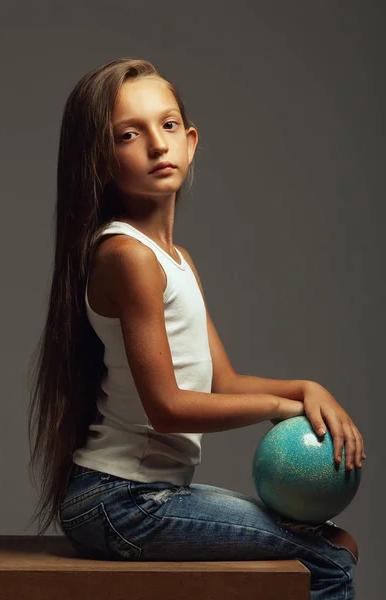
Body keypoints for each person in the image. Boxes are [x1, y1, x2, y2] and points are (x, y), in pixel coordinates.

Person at [27, 58, 366, 599]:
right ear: (100, 159)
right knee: (328, 560)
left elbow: (223, 383)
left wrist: (305, 388)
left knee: (334, 544)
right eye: (129, 134)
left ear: (190, 141)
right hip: (121, 502)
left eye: (167, 127)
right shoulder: (127, 257)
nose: (157, 146)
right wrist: (282, 409)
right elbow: (167, 407)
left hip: (142, 497)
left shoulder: (173, 258)